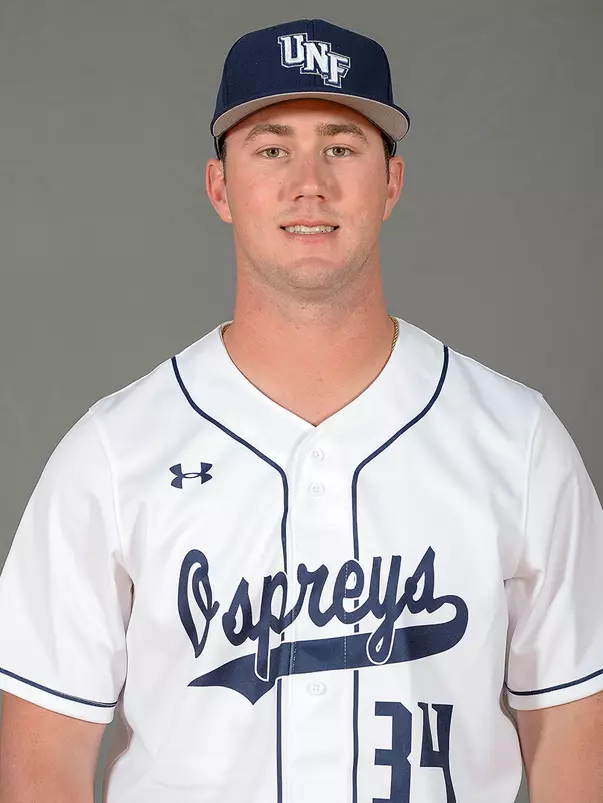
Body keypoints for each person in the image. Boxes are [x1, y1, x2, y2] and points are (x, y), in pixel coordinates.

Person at [0, 17, 602, 803]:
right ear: (221, 186)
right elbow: (41, 753)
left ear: (391, 181)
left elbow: (574, 733)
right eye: (271, 148)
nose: (307, 182)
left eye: (343, 146)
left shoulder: (517, 439)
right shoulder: (114, 452)